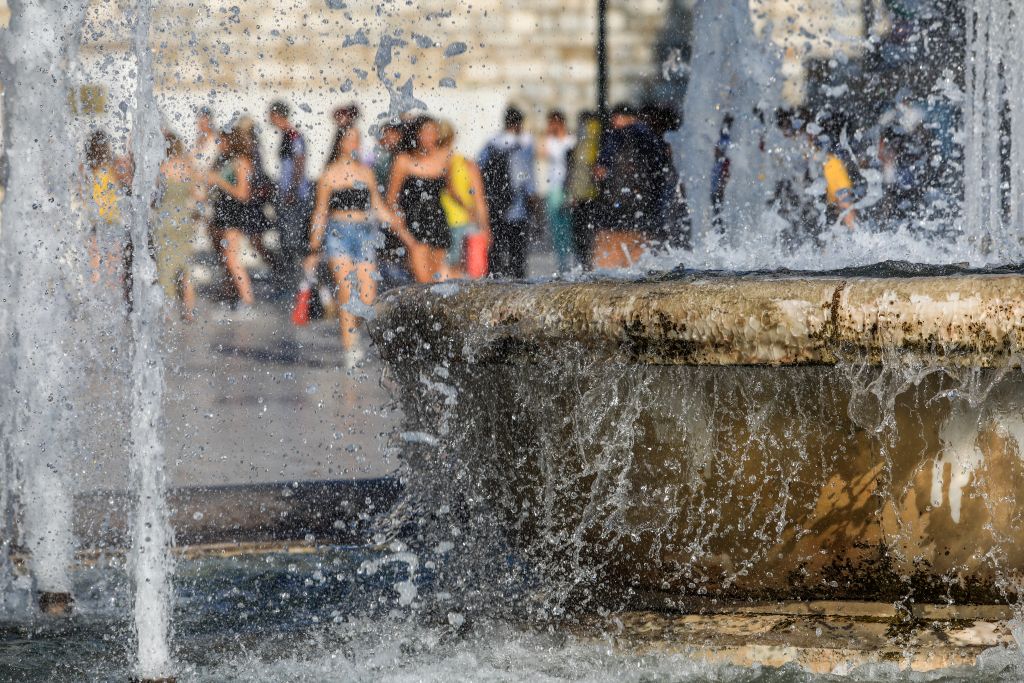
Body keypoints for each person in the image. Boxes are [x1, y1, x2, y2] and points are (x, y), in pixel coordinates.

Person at [303, 124, 413, 366]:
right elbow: (320, 212)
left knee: (367, 296)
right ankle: (350, 348)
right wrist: (313, 248)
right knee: (345, 291)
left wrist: (396, 222)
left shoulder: (366, 173)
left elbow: (377, 206)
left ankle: (353, 331)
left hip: (364, 234)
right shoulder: (328, 175)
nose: (355, 143)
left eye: (358, 139)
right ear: (341, 142)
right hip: (338, 234)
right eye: (351, 139)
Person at [592, 103, 671, 269]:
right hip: (646, 212)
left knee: (607, 270)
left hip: (617, 209)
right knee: (640, 268)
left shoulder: (618, 135)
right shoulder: (651, 137)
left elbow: (601, 169)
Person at [387, 116, 454, 283]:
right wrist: (400, 228)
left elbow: (451, 191)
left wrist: (473, 211)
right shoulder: (403, 161)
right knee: (422, 283)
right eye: (426, 133)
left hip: (438, 221)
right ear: (416, 135)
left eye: (433, 133)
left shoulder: (445, 159)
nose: (430, 137)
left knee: (438, 283)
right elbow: (391, 199)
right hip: (414, 224)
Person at [479, 106, 536, 279]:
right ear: (519, 123)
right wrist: (533, 195)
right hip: (517, 206)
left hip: (495, 204)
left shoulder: (491, 142)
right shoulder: (525, 143)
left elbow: (479, 165)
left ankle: (494, 281)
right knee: (518, 252)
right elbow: (527, 174)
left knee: (495, 249)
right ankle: (517, 284)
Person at [207, 126, 259, 310]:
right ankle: (231, 297)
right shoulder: (224, 161)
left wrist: (219, 181)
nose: (218, 145)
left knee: (232, 259)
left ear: (231, 141)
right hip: (221, 212)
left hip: (233, 215)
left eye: (221, 141)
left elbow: (243, 193)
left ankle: (247, 301)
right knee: (224, 259)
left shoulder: (242, 162)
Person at [154, 131, 198, 320]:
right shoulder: (188, 167)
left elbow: (153, 197)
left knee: (165, 268)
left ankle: (167, 313)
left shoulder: (162, 168)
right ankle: (188, 311)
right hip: (185, 221)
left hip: (165, 221)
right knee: (185, 268)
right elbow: (199, 195)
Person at [438, 120, 490, 278]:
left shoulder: (438, 164)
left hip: (448, 220)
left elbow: (451, 189)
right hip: (467, 221)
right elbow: (479, 199)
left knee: (447, 267)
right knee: (466, 269)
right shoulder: (466, 163)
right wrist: (485, 226)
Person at [268, 100, 313, 263]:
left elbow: (299, 162)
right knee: (286, 239)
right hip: (288, 193)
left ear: (277, 115)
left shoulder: (293, 135)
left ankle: (297, 278)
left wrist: (292, 191)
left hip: (295, 196)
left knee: (293, 240)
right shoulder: (285, 135)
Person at [371, 121, 412, 289]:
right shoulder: (376, 157)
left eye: (394, 134)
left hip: (400, 210)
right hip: (381, 211)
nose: (390, 138)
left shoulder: (402, 156)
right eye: (386, 134)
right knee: (385, 254)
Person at [84, 129, 125, 285]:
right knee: (112, 267)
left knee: (94, 267)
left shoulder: (87, 169)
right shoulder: (113, 167)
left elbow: (81, 194)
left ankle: (94, 300)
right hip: (112, 221)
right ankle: (112, 297)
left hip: (96, 222)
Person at [564, 111, 602, 270]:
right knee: (584, 235)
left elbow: (578, 169)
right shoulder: (587, 142)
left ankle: (585, 266)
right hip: (585, 195)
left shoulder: (588, 142)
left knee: (584, 235)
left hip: (586, 195)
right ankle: (585, 265)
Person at [541, 110, 575, 273]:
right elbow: (539, 151)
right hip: (554, 187)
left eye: (551, 123)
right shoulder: (550, 141)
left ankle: (572, 262)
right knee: (557, 228)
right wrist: (547, 134)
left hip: (568, 187)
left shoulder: (571, 140)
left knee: (569, 226)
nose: (549, 127)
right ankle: (562, 264)